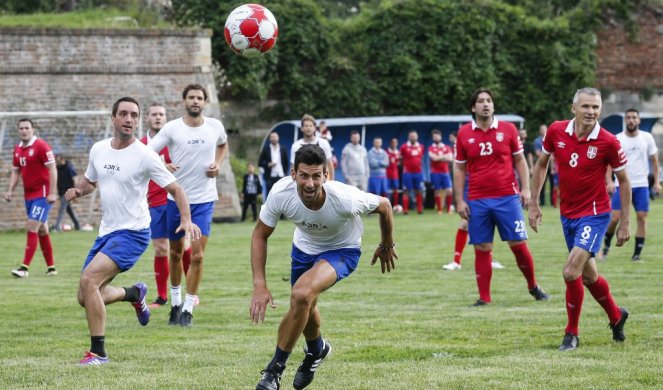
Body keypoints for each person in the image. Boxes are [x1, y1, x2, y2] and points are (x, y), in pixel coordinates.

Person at [67, 97, 201, 365]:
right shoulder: (99, 150)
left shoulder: (145, 155)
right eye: (124, 114)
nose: (129, 119)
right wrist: (80, 190)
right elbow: (91, 180)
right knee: (85, 296)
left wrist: (186, 220)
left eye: (134, 115)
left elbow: (176, 189)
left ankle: (98, 353)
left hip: (133, 233)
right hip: (107, 232)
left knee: (89, 282)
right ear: (113, 118)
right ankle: (134, 294)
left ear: (137, 121)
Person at [251, 144, 397, 390]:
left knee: (300, 294)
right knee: (303, 304)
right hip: (303, 249)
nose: (310, 183)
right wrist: (259, 285)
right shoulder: (280, 193)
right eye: (304, 175)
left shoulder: (345, 198)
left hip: (343, 250)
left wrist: (386, 244)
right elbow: (259, 235)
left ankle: (274, 371)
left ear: (326, 175)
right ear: (293, 173)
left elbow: (385, 205)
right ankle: (317, 350)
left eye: (316, 176)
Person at [528, 87, 630, 351]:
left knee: (571, 270)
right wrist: (534, 202)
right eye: (585, 106)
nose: (591, 112)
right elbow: (541, 164)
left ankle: (571, 334)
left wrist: (625, 222)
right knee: (589, 276)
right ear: (573, 108)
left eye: (596, 107)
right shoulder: (556, 131)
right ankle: (617, 316)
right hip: (568, 214)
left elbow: (624, 181)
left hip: (595, 215)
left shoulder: (608, 141)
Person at [454, 87, 548, 306]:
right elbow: (459, 169)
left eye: (489, 101)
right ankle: (484, 298)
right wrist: (459, 200)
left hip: (507, 197)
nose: (486, 104)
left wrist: (526, 190)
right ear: (473, 107)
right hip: (477, 199)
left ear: (493, 105)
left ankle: (533, 286)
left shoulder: (508, 129)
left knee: (518, 243)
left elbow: (520, 161)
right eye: (481, 101)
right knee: (482, 247)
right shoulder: (464, 133)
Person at [149, 84, 228, 327]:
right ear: (184, 101)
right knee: (174, 253)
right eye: (191, 97)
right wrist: (163, 163)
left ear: (205, 102)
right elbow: (147, 151)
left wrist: (217, 163)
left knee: (197, 255)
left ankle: (188, 308)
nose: (195, 101)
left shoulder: (215, 126)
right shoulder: (172, 128)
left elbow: (223, 145)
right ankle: (174, 304)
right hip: (176, 200)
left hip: (204, 200)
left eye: (200, 98)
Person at [140, 103, 194, 307]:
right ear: (147, 118)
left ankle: (191, 292)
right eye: (154, 114)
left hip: (175, 201)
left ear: (166, 117)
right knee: (161, 249)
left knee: (183, 246)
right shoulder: (142, 145)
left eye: (161, 114)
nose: (158, 118)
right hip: (154, 202)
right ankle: (162, 297)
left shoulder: (174, 142)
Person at [599, 108, 660, 261]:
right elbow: (609, 164)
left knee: (641, 217)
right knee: (615, 218)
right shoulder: (617, 139)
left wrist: (657, 182)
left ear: (639, 121)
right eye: (628, 118)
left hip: (641, 185)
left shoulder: (647, 138)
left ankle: (636, 255)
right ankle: (606, 246)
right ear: (625, 121)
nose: (631, 120)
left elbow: (655, 161)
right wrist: (609, 181)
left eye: (634, 117)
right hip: (621, 185)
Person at [5, 118, 58, 277]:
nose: (24, 131)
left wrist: (52, 192)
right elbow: (16, 172)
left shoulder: (41, 146)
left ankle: (24, 268)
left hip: (42, 195)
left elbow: (53, 169)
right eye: (21, 128)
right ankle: (51, 268)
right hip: (28, 195)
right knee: (42, 230)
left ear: (33, 129)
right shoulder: (17, 149)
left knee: (31, 226)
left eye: (27, 128)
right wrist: (10, 190)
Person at [291, 114, 335, 181]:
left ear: (314, 128)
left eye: (311, 125)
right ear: (302, 128)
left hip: (322, 181)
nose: (308, 128)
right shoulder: (296, 146)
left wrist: (332, 182)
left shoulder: (324, 143)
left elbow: (330, 163)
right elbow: (293, 166)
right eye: (306, 126)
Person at [428, 129, 454, 214]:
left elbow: (450, 158)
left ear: (441, 137)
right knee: (437, 190)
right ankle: (439, 209)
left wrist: (439, 157)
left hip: (445, 172)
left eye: (437, 136)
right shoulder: (431, 148)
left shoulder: (446, 147)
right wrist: (444, 156)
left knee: (449, 190)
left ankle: (449, 209)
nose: (436, 138)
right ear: (432, 138)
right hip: (435, 173)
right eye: (434, 137)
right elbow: (434, 158)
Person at [54, 154, 81, 232]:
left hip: (68, 192)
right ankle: (77, 225)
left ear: (62, 159)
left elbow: (75, 179)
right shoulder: (57, 168)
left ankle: (57, 227)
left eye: (57, 161)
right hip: (61, 191)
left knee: (61, 210)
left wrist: (75, 192)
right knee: (69, 210)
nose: (56, 162)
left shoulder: (69, 167)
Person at [400, 130, 424, 214]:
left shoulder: (421, 146)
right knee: (406, 191)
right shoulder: (404, 147)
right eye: (411, 136)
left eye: (414, 136)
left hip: (418, 172)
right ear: (409, 137)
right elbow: (401, 158)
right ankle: (405, 210)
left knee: (419, 190)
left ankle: (419, 209)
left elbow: (422, 158)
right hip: (407, 173)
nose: (413, 137)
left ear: (417, 137)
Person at [259, 131, 289, 197]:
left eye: (275, 137)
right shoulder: (266, 149)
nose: (274, 138)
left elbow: (286, 163)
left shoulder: (283, 149)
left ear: (278, 138)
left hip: (281, 175)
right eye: (272, 137)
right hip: (270, 176)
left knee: (282, 195)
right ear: (269, 139)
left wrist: (285, 174)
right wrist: (268, 164)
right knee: (270, 195)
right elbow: (260, 162)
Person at [386, 137, 401, 207]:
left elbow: (400, 163)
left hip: (395, 175)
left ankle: (395, 206)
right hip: (387, 175)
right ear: (390, 143)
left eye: (396, 142)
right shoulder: (386, 152)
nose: (394, 144)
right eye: (393, 142)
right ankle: (387, 205)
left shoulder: (398, 153)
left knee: (396, 190)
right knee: (387, 191)